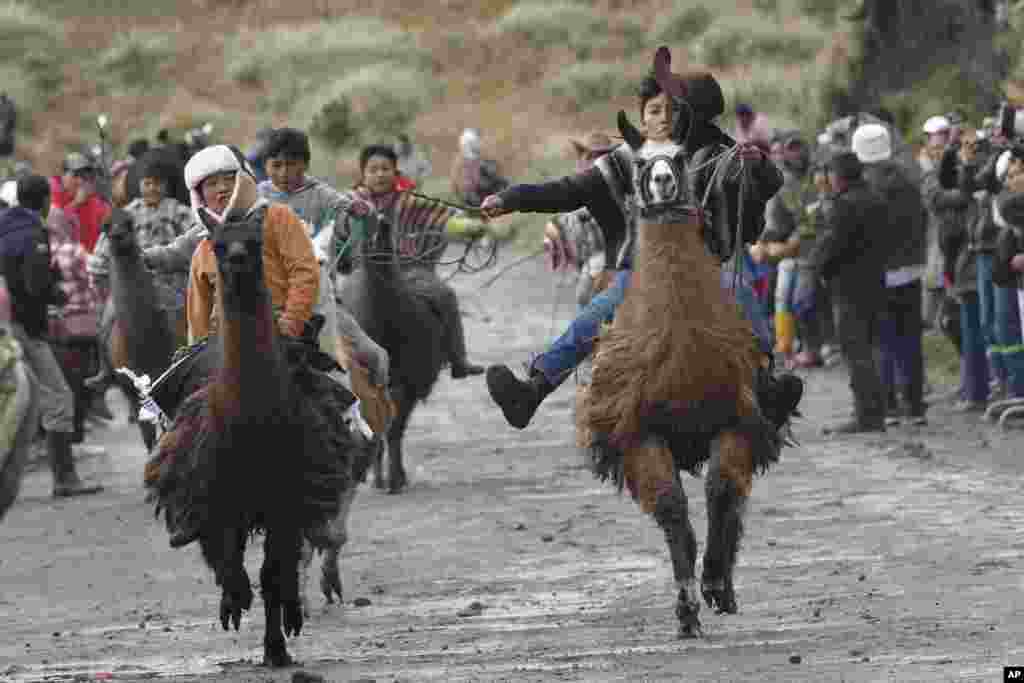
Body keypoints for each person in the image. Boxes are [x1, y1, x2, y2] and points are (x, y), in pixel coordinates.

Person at [480, 67, 786, 430]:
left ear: (694, 113)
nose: (665, 117)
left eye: (675, 109)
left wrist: (761, 165)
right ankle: (534, 389)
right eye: (660, 109)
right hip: (645, 270)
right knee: (597, 312)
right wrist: (511, 198)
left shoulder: (729, 156)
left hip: (703, 270)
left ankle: (767, 386)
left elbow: (768, 185)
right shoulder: (633, 154)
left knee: (743, 299)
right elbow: (570, 189)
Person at [335, 144, 484, 380]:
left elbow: (444, 219)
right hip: (362, 272)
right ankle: (334, 358)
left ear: (396, 172)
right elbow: (335, 231)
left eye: (385, 168)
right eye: (373, 169)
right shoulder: (350, 202)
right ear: (363, 174)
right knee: (334, 303)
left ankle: (458, 358)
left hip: (410, 271)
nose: (380, 174)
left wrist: (467, 226)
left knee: (443, 294)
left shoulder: (412, 201)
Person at [0, 176, 104, 497]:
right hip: (22, 327)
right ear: (45, 201)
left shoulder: (5, 225)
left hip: (5, 325)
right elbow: (34, 284)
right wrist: (54, 293)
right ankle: (65, 477)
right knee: (58, 396)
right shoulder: (33, 233)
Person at [184, 145, 319, 344]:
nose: (222, 188)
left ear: (244, 180)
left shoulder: (278, 217)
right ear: (200, 195)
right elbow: (198, 319)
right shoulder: (203, 250)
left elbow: (304, 273)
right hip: (222, 343)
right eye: (211, 184)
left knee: (336, 373)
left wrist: (291, 323)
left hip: (282, 332)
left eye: (229, 178)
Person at [84, 155, 195, 393]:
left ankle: (193, 362)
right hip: (129, 287)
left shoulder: (181, 212)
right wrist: (104, 275)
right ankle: (105, 369)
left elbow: (193, 251)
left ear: (167, 185)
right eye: (147, 183)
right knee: (105, 322)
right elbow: (98, 259)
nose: (152, 188)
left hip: (171, 284)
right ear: (139, 185)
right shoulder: (125, 215)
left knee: (187, 318)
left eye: (158, 183)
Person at [852, 123, 928, 424]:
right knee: (910, 340)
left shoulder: (869, 190)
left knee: (883, 340)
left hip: (882, 272)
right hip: (911, 269)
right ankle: (915, 404)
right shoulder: (908, 182)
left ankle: (889, 403)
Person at [810, 152, 888, 434]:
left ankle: (866, 415)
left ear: (839, 176)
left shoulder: (843, 206)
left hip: (848, 288)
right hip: (876, 283)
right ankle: (876, 410)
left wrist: (817, 269)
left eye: (831, 174)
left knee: (856, 352)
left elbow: (832, 246)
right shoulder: (877, 199)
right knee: (872, 349)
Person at [747, 131, 820, 368]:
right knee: (782, 295)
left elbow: (817, 218)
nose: (796, 152)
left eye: (799, 146)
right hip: (791, 249)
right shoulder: (780, 180)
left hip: (813, 248)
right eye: (791, 148)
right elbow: (774, 222)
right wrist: (760, 243)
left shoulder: (817, 175)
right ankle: (785, 346)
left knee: (800, 299)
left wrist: (788, 246)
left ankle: (810, 347)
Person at [543, 131, 617, 309]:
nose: (594, 160)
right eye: (590, 155)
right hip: (590, 264)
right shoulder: (577, 187)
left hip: (615, 262)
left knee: (585, 293)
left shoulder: (617, 183)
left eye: (600, 155)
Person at [49, 152, 111, 254]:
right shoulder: (53, 194)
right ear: (63, 175)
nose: (80, 181)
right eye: (75, 175)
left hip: (92, 261)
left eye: (85, 177)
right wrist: (75, 204)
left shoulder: (96, 202)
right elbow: (56, 225)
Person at [451, 128, 509, 208]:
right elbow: (474, 184)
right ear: (470, 143)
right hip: (474, 200)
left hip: (471, 199)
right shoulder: (466, 164)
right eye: (477, 141)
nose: (479, 144)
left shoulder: (463, 161)